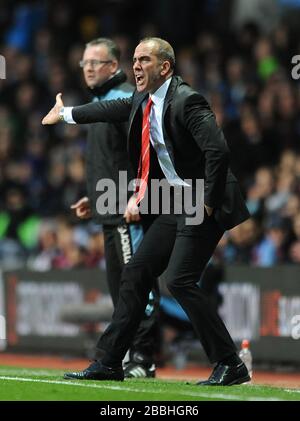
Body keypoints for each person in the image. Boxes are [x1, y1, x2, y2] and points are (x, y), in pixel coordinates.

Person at [42, 37, 251, 386]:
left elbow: (218, 151)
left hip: (203, 199)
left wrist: (209, 201)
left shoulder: (188, 100)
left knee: (180, 280)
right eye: (135, 59)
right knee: (137, 271)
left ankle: (230, 363)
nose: (136, 66)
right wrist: (65, 114)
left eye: (145, 60)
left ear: (165, 67)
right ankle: (109, 361)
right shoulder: (143, 98)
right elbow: (111, 110)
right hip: (175, 200)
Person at [68, 38, 161, 378]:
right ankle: (125, 355)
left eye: (96, 62)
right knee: (120, 288)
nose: (89, 68)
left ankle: (143, 358)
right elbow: (111, 161)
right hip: (109, 211)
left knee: (137, 285)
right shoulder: (101, 102)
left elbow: (147, 151)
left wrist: (138, 194)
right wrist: (93, 199)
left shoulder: (123, 98)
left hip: (129, 212)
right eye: (84, 63)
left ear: (112, 66)